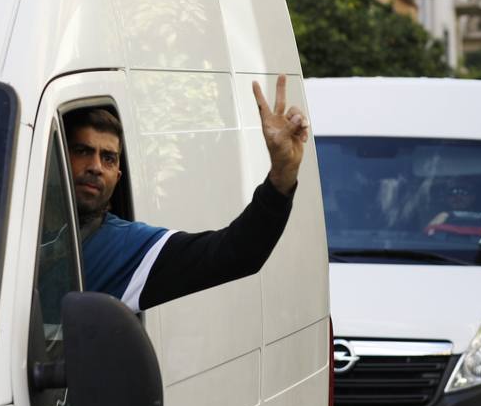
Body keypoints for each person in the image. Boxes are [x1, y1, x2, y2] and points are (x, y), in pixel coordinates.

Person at [66, 76, 309, 312]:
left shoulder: (124, 249)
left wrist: (282, 173)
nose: (96, 167)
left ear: (118, 176)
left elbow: (237, 252)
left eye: (108, 158)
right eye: (82, 151)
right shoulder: (29, 225)